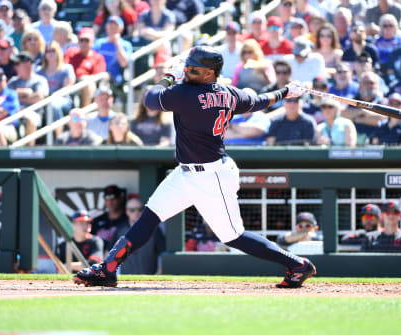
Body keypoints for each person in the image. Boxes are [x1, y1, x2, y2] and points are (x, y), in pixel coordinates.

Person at [73, 46, 317, 289]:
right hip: (185, 173)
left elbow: (149, 97)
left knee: (233, 236)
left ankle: (297, 264)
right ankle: (108, 269)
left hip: (213, 176)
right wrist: (286, 91)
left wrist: (170, 77)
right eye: (187, 67)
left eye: (193, 69)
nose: (187, 71)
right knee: (148, 217)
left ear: (209, 73)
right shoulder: (229, 93)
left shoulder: (185, 94)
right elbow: (257, 101)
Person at [113, 198, 165, 274]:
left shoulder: (154, 229)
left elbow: (163, 254)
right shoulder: (120, 230)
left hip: (149, 280)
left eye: (140, 209)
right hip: (125, 280)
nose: (136, 213)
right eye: (132, 210)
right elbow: (109, 252)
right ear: (127, 212)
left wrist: (159, 273)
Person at [7, 51, 49, 143]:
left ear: (28, 64)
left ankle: (29, 153)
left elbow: (38, 98)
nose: (15, 67)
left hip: (34, 113)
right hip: (14, 113)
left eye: (18, 64)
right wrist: (26, 93)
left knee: (28, 118)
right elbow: (6, 96)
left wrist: (16, 97)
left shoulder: (40, 80)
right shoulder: (13, 81)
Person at [37, 40, 76, 136]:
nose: (50, 53)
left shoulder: (66, 68)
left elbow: (68, 87)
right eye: (47, 51)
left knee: (54, 105)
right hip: (44, 100)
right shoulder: (39, 71)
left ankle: (59, 137)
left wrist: (54, 96)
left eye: (53, 50)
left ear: (58, 52)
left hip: (63, 99)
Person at [93, 16, 133, 102]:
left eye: (115, 27)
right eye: (110, 26)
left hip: (114, 77)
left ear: (121, 29)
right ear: (106, 28)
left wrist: (117, 43)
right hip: (97, 74)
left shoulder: (126, 45)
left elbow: (124, 63)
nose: (112, 29)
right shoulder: (99, 43)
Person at [64, 27, 107, 107]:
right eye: (81, 40)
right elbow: (63, 68)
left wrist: (83, 78)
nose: (84, 43)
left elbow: (98, 76)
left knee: (87, 83)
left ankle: (83, 111)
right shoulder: (71, 52)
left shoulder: (97, 57)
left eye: (87, 40)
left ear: (92, 42)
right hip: (69, 81)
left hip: (87, 84)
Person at [90, 185, 129, 252]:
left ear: (120, 199)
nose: (110, 202)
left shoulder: (127, 219)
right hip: (100, 258)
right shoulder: (97, 220)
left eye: (113, 198)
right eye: (107, 198)